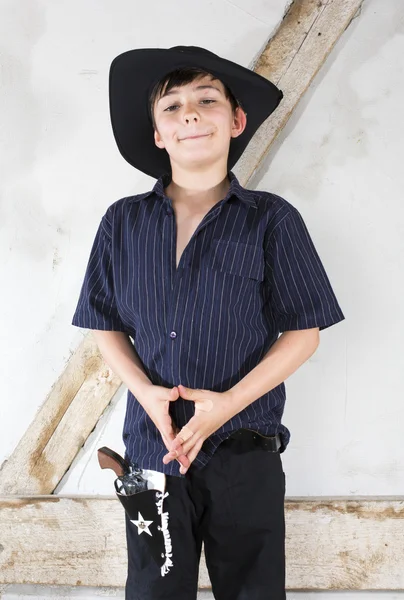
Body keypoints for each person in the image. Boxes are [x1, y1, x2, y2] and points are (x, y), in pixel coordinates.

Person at [72, 45, 345, 600]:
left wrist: (227, 403)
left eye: (206, 99)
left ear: (236, 120)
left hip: (243, 452)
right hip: (153, 450)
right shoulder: (121, 222)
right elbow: (103, 322)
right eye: (171, 107)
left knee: (252, 592)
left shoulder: (271, 220)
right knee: (153, 591)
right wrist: (145, 393)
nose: (189, 114)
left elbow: (304, 332)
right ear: (157, 134)